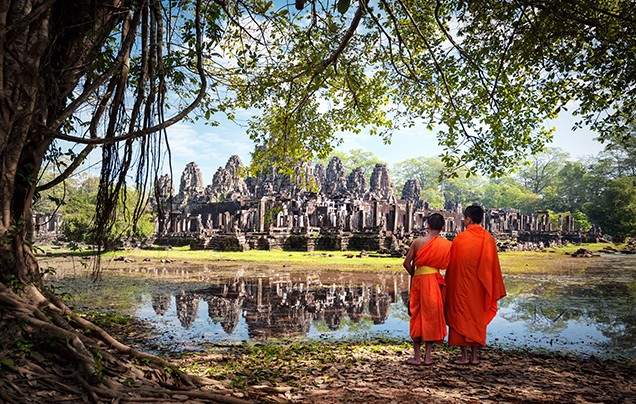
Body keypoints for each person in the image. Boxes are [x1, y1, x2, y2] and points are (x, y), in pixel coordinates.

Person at [445, 204, 506, 365]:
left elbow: (453, 265)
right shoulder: (488, 238)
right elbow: (492, 267)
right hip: (480, 287)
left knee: (460, 316)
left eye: (464, 218)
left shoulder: (460, 238)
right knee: (476, 318)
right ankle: (474, 356)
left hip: (461, 286)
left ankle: (464, 356)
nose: (464, 221)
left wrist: (449, 284)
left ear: (469, 219)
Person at [402, 213, 451, 365]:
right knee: (431, 316)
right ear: (443, 227)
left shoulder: (417, 242)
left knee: (417, 314)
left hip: (419, 281)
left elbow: (406, 263)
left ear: (428, 225)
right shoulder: (447, 244)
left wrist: (416, 274)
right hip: (434, 282)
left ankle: (417, 357)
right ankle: (428, 357)